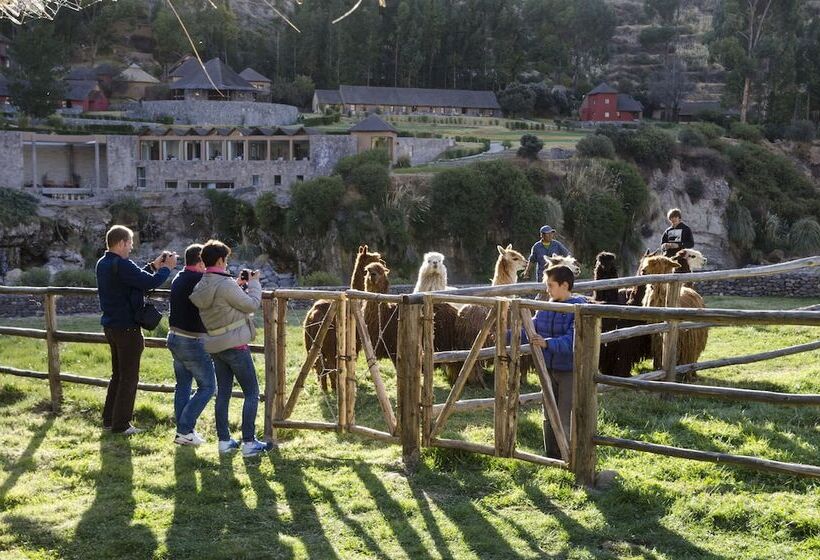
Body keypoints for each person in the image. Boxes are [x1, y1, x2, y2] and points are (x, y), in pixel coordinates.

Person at [189, 239, 272, 457]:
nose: (227, 263)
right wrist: (253, 284)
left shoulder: (203, 284)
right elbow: (251, 304)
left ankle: (224, 441)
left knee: (223, 394)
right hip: (235, 345)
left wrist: (238, 286)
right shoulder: (225, 285)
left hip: (215, 345)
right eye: (226, 259)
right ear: (220, 259)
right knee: (252, 393)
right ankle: (249, 443)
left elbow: (224, 301)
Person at [96, 225, 177, 435]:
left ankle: (108, 420)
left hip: (111, 326)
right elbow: (150, 282)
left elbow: (134, 280)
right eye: (130, 242)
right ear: (122, 242)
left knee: (117, 375)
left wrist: (152, 265)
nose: (131, 247)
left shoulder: (103, 263)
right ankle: (121, 425)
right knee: (129, 378)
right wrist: (167, 268)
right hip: (128, 328)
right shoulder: (122, 264)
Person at [521, 265, 586, 459]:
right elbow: (531, 330)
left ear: (564, 285)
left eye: (550, 285)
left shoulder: (579, 309)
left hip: (568, 370)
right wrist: (509, 335)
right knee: (549, 413)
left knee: (565, 414)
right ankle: (551, 455)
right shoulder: (546, 309)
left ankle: (569, 456)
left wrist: (547, 344)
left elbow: (573, 340)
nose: (547, 289)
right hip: (547, 369)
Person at [168, 244, 215, 446]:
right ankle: (184, 428)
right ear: (200, 261)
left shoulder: (179, 277)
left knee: (183, 386)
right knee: (208, 387)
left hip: (174, 337)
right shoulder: (198, 280)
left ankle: (184, 433)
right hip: (191, 340)